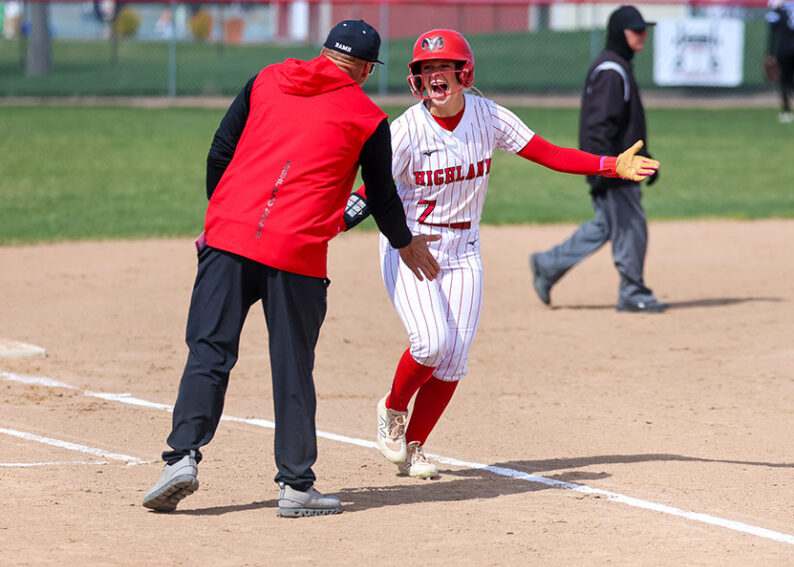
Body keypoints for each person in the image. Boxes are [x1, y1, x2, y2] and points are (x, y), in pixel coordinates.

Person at [142, 20, 440, 518]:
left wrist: (221, 218)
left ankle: (180, 459)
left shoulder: (266, 77)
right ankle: (296, 487)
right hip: (297, 253)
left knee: (209, 352)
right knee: (292, 368)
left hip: (229, 236)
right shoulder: (368, 118)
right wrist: (405, 244)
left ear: (322, 51)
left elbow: (220, 151)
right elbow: (383, 197)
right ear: (366, 69)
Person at [359, 28, 658, 479]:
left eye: (443, 67)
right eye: (425, 69)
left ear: (465, 73)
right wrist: (325, 223)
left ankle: (416, 446)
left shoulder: (488, 116)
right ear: (415, 79)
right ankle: (393, 407)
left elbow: (548, 153)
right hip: (412, 245)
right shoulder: (405, 130)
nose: (435, 75)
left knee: (455, 357)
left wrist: (610, 164)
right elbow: (370, 190)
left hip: (464, 248)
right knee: (431, 343)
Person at [529, 5, 669, 313]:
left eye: (644, 29)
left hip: (617, 164)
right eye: (636, 30)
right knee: (631, 225)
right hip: (614, 169)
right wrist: (605, 170)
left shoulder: (616, 65)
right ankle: (633, 292)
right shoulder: (611, 70)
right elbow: (598, 128)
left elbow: (619, 126)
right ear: (620, 33)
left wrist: (644, 158)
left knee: (607, 225)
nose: (643, 35)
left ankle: (547, 265)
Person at [765, 0, 794, 123]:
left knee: (783, 79)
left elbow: (773, 33)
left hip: (784, 48)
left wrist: (770, 53)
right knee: (792, 77)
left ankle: (787, 111)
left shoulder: (778, 11)